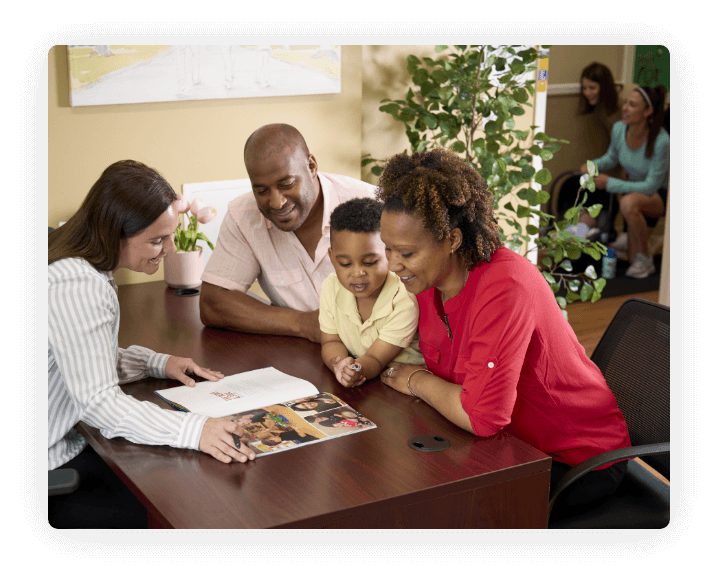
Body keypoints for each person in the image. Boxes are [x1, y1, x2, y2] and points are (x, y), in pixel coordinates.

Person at [377, 149, 632, 519]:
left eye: (406, 252)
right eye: (387, 248)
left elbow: (481, 417)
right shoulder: (428, 283)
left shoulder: (505, 286)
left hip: (576, 460)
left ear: (451, 239)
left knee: (443, 510)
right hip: (507, 448)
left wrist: (415, 379)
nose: (393, 264)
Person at [48, 160, 255, 529]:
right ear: (114, 233)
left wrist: (157, 363)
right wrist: (196, 430)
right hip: (56, 461)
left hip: (66, 442)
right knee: (178, 505)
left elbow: (81, 358)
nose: (169, 249)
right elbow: (98, 403)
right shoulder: (77, 284)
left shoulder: (79, 266)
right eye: (157, 240)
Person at [199, 124, 376, 342]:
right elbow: (213, 304)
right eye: (261, 190)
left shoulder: (372, 205)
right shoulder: (243, 215)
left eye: (287, 184)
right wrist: (303, 323)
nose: (276, 202)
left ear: (311, 166)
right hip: (301, 354)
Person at [319, 198, 424, 388]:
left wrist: (355, 370)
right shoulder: (330, 287)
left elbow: (375, 359)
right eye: (345, 264)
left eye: (369, 262)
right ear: (332, 258)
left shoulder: (403, 298)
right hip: (369, 383)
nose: (357, 272)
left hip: (403, 385)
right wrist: (340, 364)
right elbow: (330, 341)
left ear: (389, 254)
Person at [581, 85, 669, 278]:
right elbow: (612, 157)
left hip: (661, 195)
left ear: (647, 111)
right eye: (626, 103)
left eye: (632, 105)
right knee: (628, 200)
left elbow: (651, 186)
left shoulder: (661, 141)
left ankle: (645, 261)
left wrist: (610, 182)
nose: (625, 108)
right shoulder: (619, 129)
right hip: (633, 189)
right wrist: (591, 165)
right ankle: (629, 242)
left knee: (629, 202)